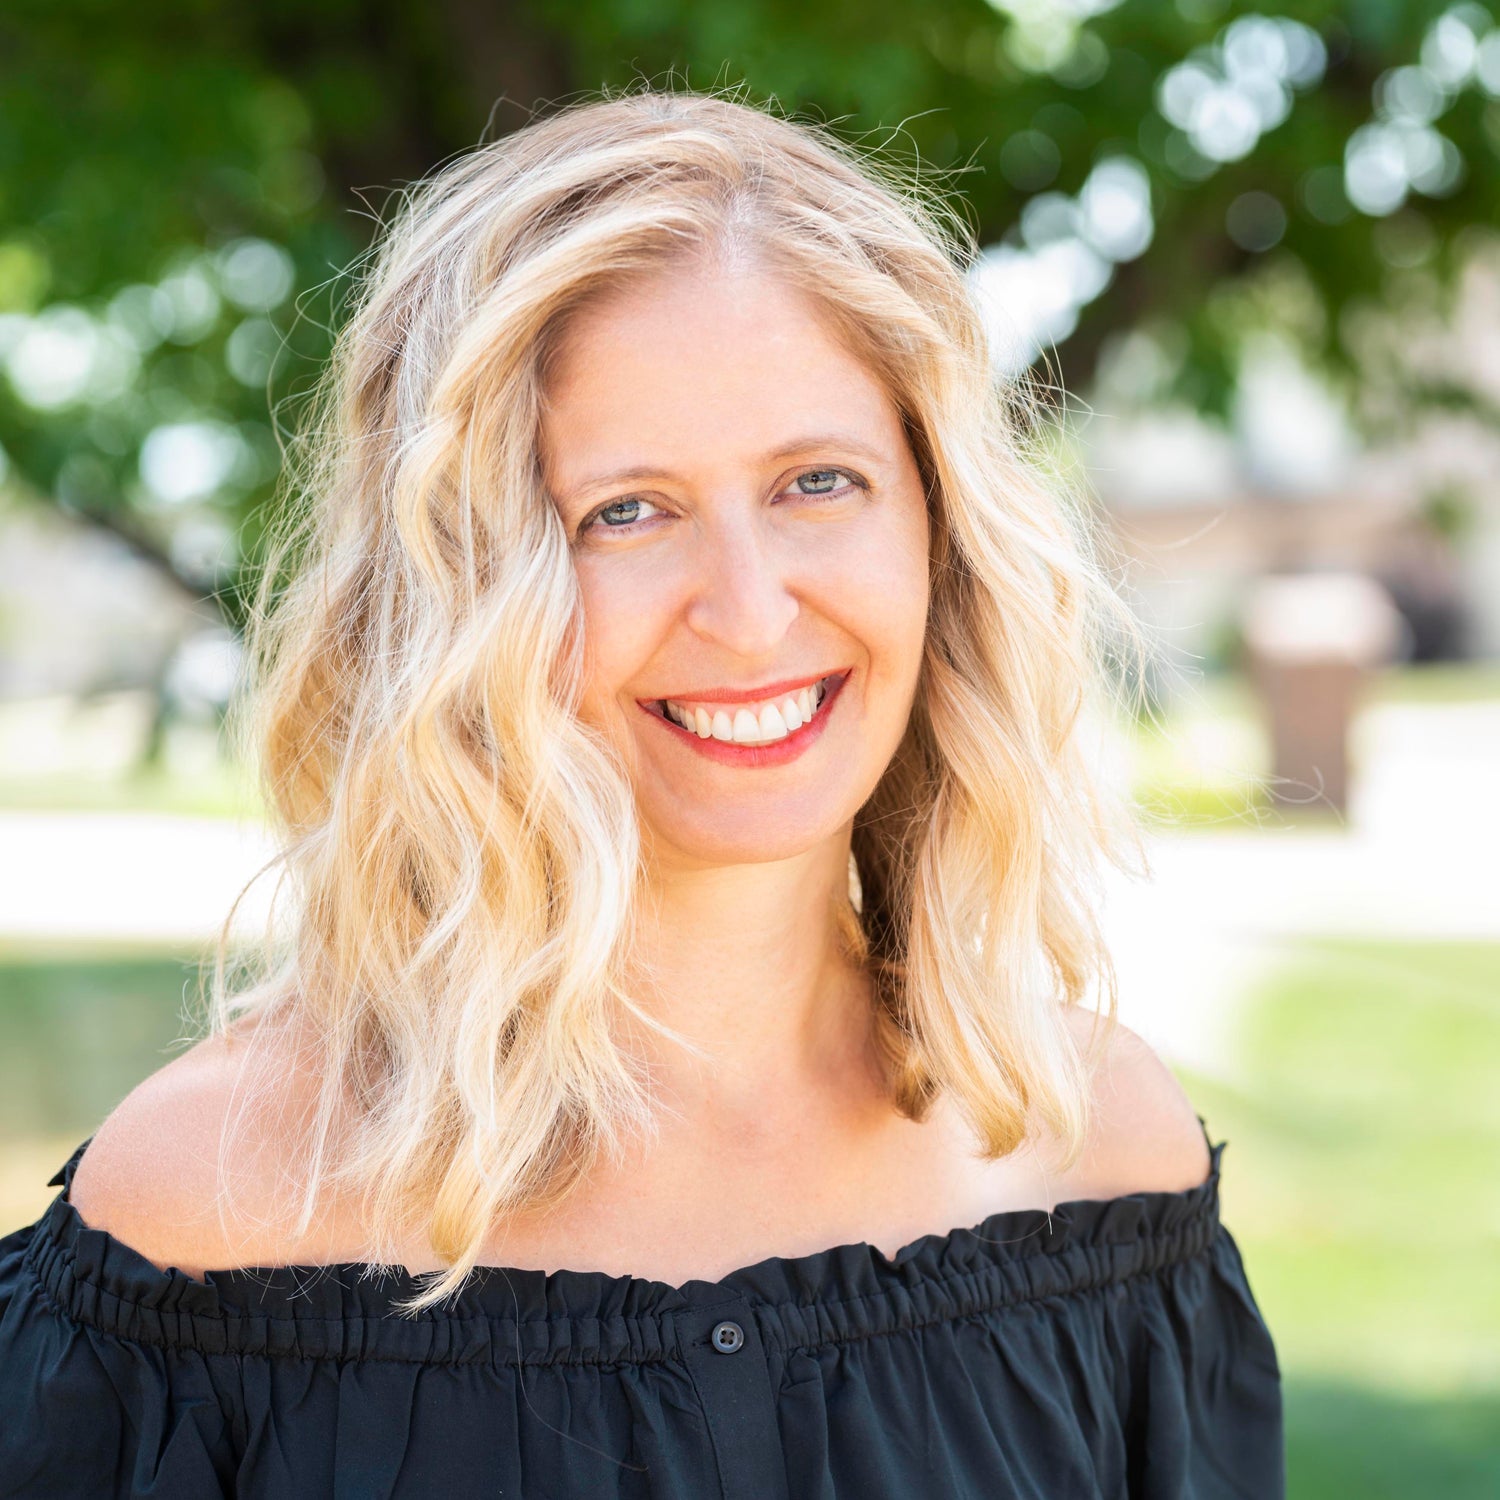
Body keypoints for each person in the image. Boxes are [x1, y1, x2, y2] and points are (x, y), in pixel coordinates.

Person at [0, 87, 1283, 1498]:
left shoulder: (1096, 1160)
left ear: (939, 528)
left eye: (817, 482)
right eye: (626, 511)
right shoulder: (213, 1210)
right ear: (459, 587)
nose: (746, 612)